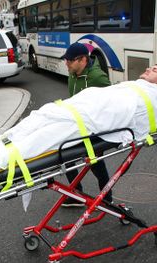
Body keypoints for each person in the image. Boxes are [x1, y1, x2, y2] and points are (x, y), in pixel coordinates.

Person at [0, 65, 157, 182]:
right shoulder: (133, 85)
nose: (148, 69)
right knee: (25, 127)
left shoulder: (155, 97)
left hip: (87, 122)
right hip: (76, 109)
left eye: (154, 70)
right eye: (149, 67)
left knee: (36, 141)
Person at [60, 42, 113, 207]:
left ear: (82, 60)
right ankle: (75, 194)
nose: (66, 63)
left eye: (69, 60)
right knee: (66, 157)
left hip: (94, 128)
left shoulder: (97, 78)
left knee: (95, 163)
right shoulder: (73, 74)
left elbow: (111, 104)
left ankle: (107, 198)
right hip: (76, 126)